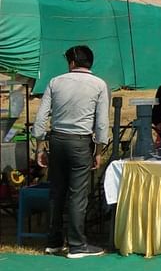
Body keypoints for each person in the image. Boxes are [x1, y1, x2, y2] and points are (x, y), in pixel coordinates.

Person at [33, 45, 110, 258]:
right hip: (80, 142)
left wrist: (40, 146)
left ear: (72, 63)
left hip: (57, 139)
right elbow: (102, 123)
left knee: (56, 191)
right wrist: (98, 150)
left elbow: (41, 118)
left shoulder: (55, 82)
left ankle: (54, 241)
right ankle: (77, 244)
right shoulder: (99, 85)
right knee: (78, 194)